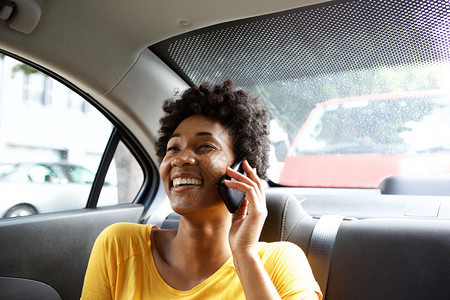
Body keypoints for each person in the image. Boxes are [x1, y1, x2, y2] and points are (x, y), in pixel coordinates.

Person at [81, 80, 322, 299]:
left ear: (243, 170)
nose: (180, 158)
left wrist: (245, 255)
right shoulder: (119, 245)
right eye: (173, 148)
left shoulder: (281, 262)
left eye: (206, 146)